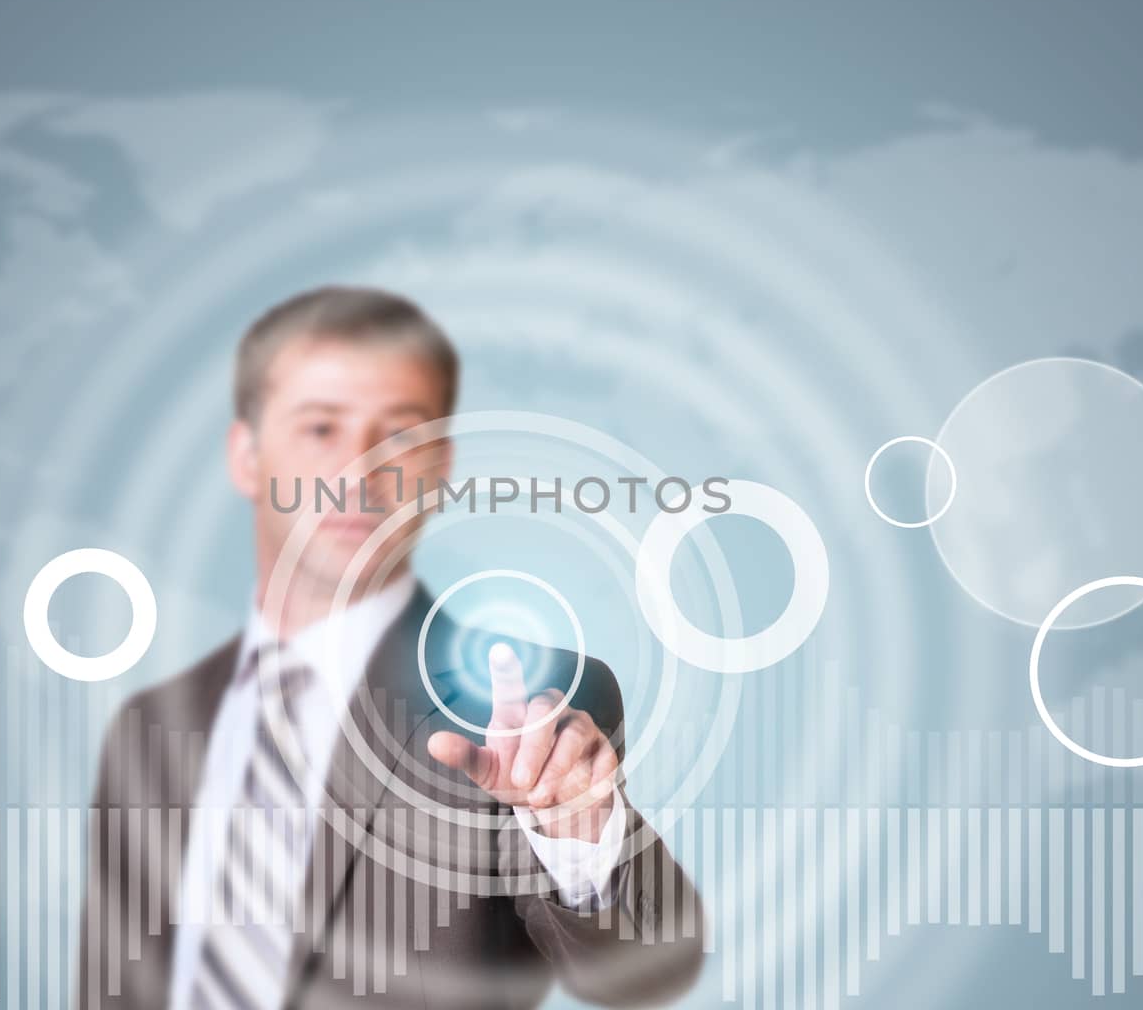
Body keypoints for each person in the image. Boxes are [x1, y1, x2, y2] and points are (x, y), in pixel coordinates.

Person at [76, 285, 704, 1009]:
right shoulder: (147, 727)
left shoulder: (530, 711)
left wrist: (579, 837)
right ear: (247, 456)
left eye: (400, 433)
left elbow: (645, 973)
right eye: (320, 429)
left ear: (439, 467)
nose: (358, 473)